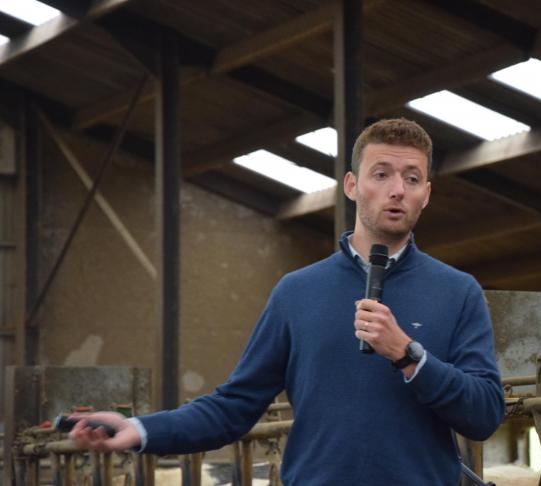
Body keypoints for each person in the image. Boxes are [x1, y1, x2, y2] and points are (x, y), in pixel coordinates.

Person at [70, 118, 505, 485]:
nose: (397, 190)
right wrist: (141, 429)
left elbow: (485, 413)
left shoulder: (457, 291)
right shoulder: (297, 292)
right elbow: (233, 407)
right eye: (381, 174)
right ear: (352, 186)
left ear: (426, 194)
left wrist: (409, 356)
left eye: (412, 179)